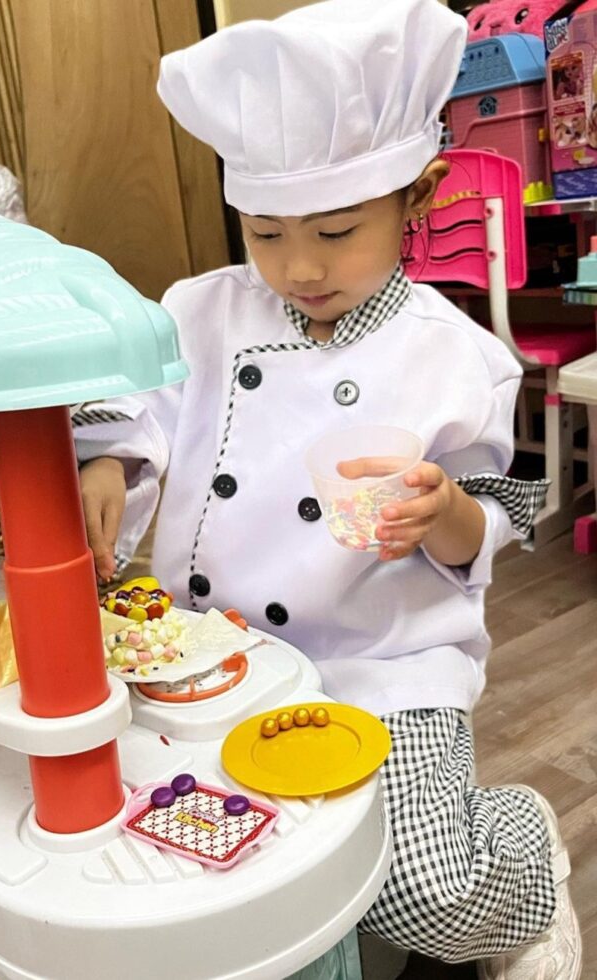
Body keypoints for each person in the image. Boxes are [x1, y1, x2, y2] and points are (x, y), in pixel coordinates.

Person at [75, 1, 581, 975]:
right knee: (188, 863)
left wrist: (443, 515)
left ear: (416, 197)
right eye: (264, 233)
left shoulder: (454, 355)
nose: (297, 267)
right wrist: (109, 458)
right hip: (213, 653)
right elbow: (132, 405)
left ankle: (522, 856)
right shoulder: (201, 311)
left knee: (421, 891)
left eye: (335, 231)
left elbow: (500, 510)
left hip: (380, 660)